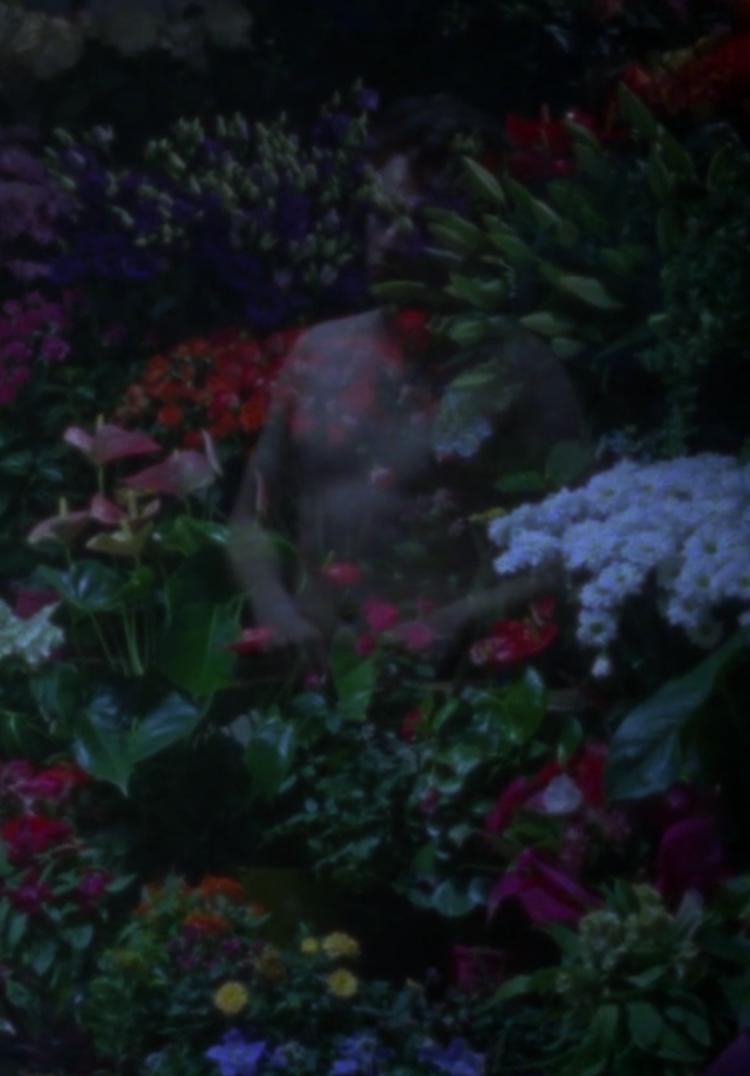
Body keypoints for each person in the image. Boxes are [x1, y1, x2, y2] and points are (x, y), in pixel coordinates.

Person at [226, 93, 589, 667]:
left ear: (474, 230)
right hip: (310, 687)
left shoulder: (519, 368)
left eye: (421, 223)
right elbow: (251, 518)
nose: (392, 241)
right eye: (381, 216)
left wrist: (463, 620)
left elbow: (579, 547)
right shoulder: (320, 353)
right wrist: (276, 613)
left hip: (452, 693)